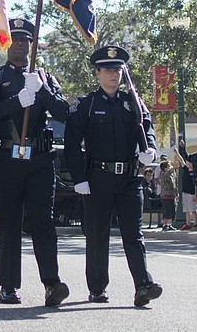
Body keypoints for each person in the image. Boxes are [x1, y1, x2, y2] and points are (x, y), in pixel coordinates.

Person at [0, 18, 70, 307]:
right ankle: (8, 285)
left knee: (43, 222)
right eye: (15, 39)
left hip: (40, 159)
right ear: (7, 43)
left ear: (31, 44)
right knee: (9, 222)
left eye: (25, 40)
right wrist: (17, 101)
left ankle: (51, 283)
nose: (20, 44)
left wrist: (41, 90)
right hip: (8, 158)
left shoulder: (44, 77)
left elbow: (65, 112)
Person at [64, 45, 162, 307]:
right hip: (98, 178)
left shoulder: (133, 104)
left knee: (134, 234)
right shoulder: (87, 105)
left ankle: (143, 285)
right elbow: (72, 143)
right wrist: (79, 179)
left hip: (130, 179)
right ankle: (97, 288)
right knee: (98, 235)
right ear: (97, 73)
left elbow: (148, 131)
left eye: (117, 70)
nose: (113, 74)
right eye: (107, 70)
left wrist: (150, 150)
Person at [158, 161, 178, 231]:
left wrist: (176, 193)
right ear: (165, 168)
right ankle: (165, 224)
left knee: (172, 210)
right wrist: (174, 167)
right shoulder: (163, 174)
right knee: (167, 211)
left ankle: (169, 224)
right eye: (169, 167)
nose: (170, 168)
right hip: (166, 195)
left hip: (172, 195)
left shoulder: (171, 176)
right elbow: (167, 174)